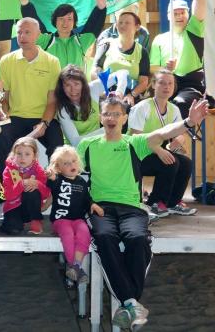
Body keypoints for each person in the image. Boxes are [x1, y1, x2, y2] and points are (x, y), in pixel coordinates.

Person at [77, 96, 208, 330]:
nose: (111, 118)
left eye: (116, 114)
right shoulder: (87, 145)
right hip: (100, 207)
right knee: (104, 238)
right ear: (100, 117)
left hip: (132, 208)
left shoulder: (134, 142)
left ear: (125, 118)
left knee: (138, 240)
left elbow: (163, 133)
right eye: (107, 113)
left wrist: (188, 121)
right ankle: (131, 302)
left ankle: (128, 302)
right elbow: (71, 175)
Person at [0, 17, 63, 172]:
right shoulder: (6, 60)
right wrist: (4, 115)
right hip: (15, 116)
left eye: (27, 32)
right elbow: (3, 97)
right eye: (19, 32)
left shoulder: (52, 61)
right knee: (0, 138)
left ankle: (54, 182)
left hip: (42, 117)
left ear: (38, 34)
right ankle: (0, 183)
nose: (22, 36)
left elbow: (52, 101)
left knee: (57, 144)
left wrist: (44, 124)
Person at [128, 69, 196, 217]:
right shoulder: (142, 107)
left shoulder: (174, 109)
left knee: (186, 163)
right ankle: (155, 203)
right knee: (170, 162)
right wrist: (159, 150)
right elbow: (135, 137)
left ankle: (172, 203)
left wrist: (179, 139)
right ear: (153, 85)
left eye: (170, 83)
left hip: (156, 153)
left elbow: (181, 132)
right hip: (135, 156)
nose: (167, 87)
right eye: (162, 83)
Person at [15, 0, 107, 73]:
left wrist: (101, 8)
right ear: (55, 21)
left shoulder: (81, 41)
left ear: (74, 22)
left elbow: (94, 24)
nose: (65, 23)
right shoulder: (47, 41)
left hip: (75, 82)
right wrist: (24, 2)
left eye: (69, 19)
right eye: (61, 19)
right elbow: (33, 23)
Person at [45, 146, 96, 283]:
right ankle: (74, 265)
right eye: (66, 163)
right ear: (59, 168)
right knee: (67, 234)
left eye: (73, 161)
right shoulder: (58, 179)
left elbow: (86, 199)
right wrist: (51, 176)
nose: (71, 165)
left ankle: (76, 266)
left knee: (85, 233)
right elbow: (52, 183)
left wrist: (92, 205)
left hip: (78, 219)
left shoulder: (81, 181)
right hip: (61, 220)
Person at [166, 0, 208, 117]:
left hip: (191, 86)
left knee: (180, 104)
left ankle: (182, 132)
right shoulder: (160, 40)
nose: (179, 16)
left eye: (182, 12)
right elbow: (154, 70)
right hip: (167, 83)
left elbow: (200, 1)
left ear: (188, 14)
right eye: (175, 13)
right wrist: (166, 69)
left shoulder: (193, 30)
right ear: (168, 16)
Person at [94, 10, 150, 104]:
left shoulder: (142, 52)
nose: (123, 25)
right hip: (106, 95)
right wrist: (104, 90)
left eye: (127, 23)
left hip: (129, 97)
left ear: (137, 27)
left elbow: (143, 82)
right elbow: (95, 71)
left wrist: (131, 95)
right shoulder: (106, 45)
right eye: (120, 22)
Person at [0, 136, 50, 235]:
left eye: (27, 154)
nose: (22, 158)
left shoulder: (39, 170)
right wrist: (22, 184)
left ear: (34, 156)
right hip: (13, 207)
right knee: (13, 229)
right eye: (19, 154)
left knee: (33, 190)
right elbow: (7, 195)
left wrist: (38, 184)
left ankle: (35, 221)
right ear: (13, 154)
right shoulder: (8, 170)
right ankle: (13, 223)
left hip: (30, 210)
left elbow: (46, 194)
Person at [54, 65, 104, 147]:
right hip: (76, 150)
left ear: (83, 84)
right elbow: (76, 142)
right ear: (62, 88)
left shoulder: (92, 89)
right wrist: (105, 131)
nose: (73, 89)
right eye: (68, 85)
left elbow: (122, 73)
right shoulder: (62, 110)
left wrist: (120, 92)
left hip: (99, 144)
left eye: (76, 84)